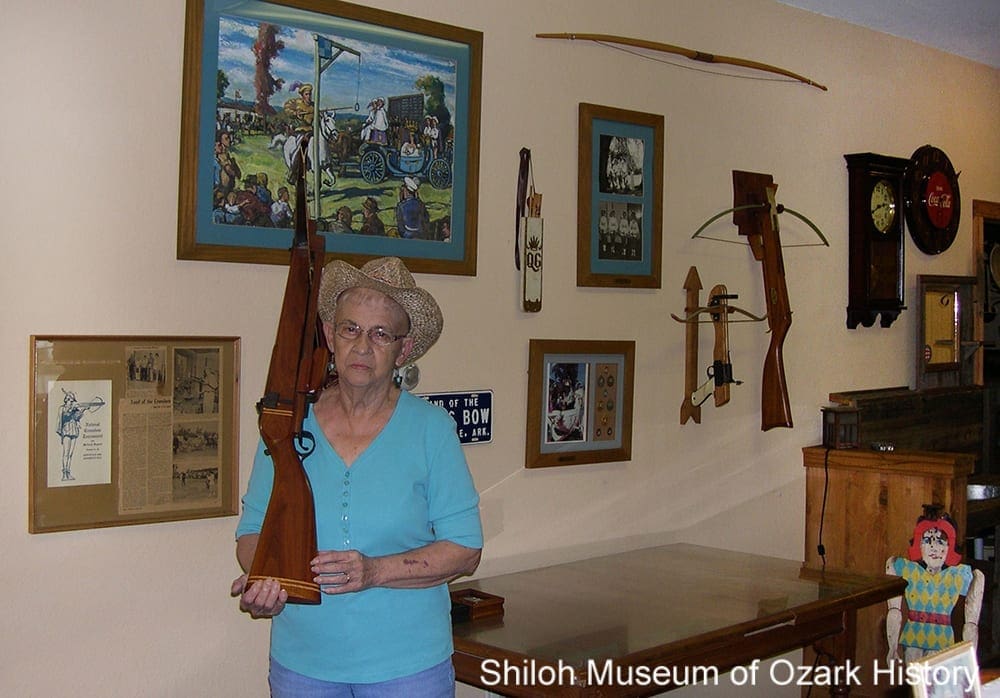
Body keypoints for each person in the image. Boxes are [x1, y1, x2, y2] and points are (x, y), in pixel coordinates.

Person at [232, 256, 483, 697]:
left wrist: (374, 571)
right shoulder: (286, 425)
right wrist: (266, 579)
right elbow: (252, 535)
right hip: (302, 665)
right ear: (329, 335)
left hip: (409, 669)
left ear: (403, 350)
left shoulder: (431, 430)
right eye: (350, 328)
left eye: (381, 333)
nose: (363, 346)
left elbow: (465, 551)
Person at [886, 507, 984, 664]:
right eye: (927, 541)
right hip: (913, 636)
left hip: (942, 638)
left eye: (940, 542)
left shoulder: (958, 575)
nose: (934, 547)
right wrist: (892, 646)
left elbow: (971, 621)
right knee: (913, 682)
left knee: (936, 682)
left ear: (949, 547)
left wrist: (971, 656)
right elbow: (894, 609)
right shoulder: (907, 570)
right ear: (919, 545)